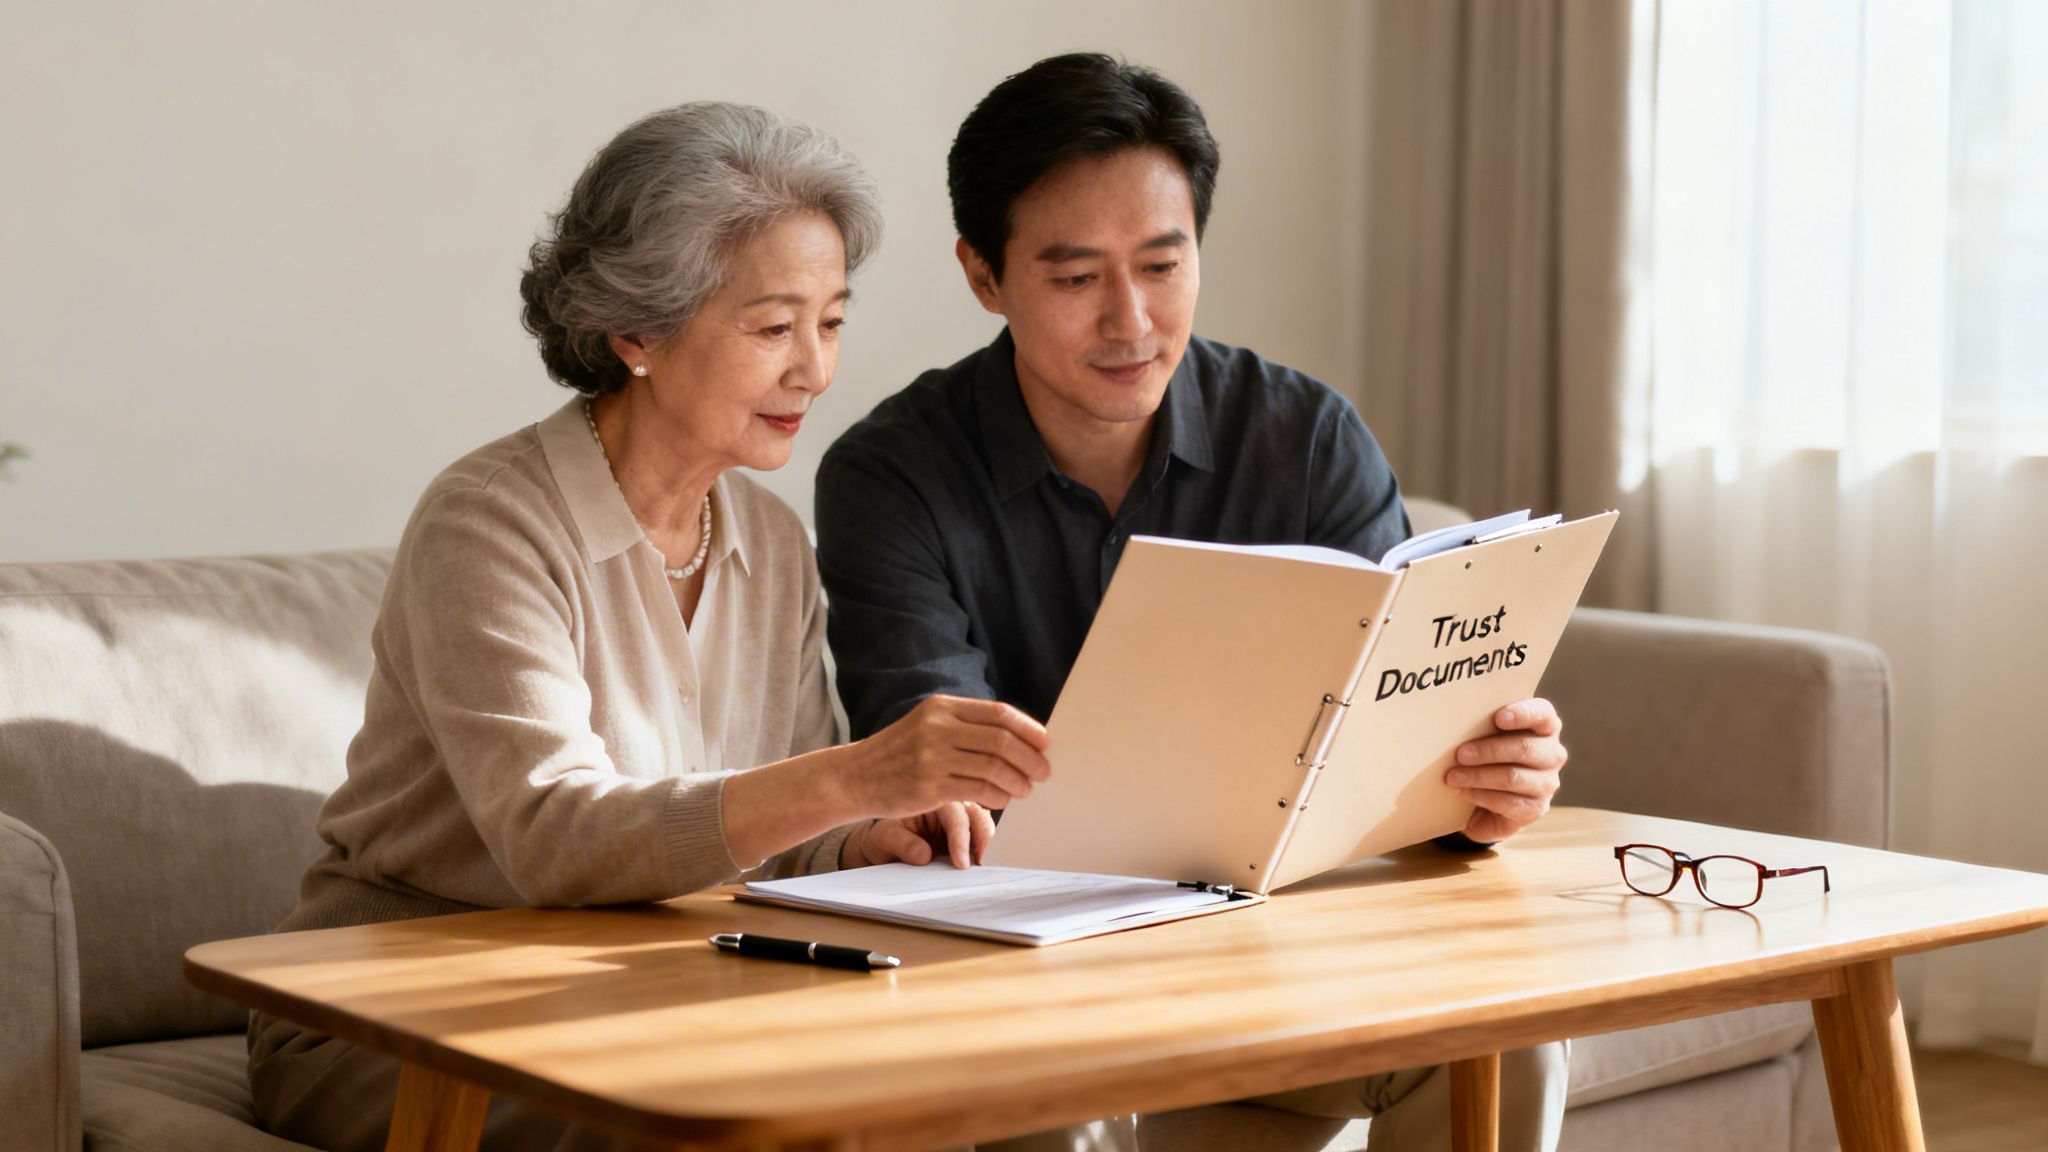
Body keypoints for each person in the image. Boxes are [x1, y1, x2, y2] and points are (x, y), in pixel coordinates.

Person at [248, 102, 1050, 1152]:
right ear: (636, 331)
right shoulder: (486, 521)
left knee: (1022, 1090)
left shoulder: (765, 539)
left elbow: (772, 834)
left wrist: (867, 835)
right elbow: (555, 839)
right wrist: (859, 774)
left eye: (832, 321)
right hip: (406, 1014)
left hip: (649, 988)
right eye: (773, 327)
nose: (814, 369)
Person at [815, 55, 1570, 1152]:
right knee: (1046, 1104)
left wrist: (1471, 784)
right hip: (1038, 976)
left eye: (1162, 265)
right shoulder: (891, 477)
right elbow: (942, 787)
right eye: (1075, 278)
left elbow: (1380, 735)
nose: (1130, 320)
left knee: (1508, 1042)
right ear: (983, 275)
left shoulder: (1304, 438)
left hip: (1275, 951)